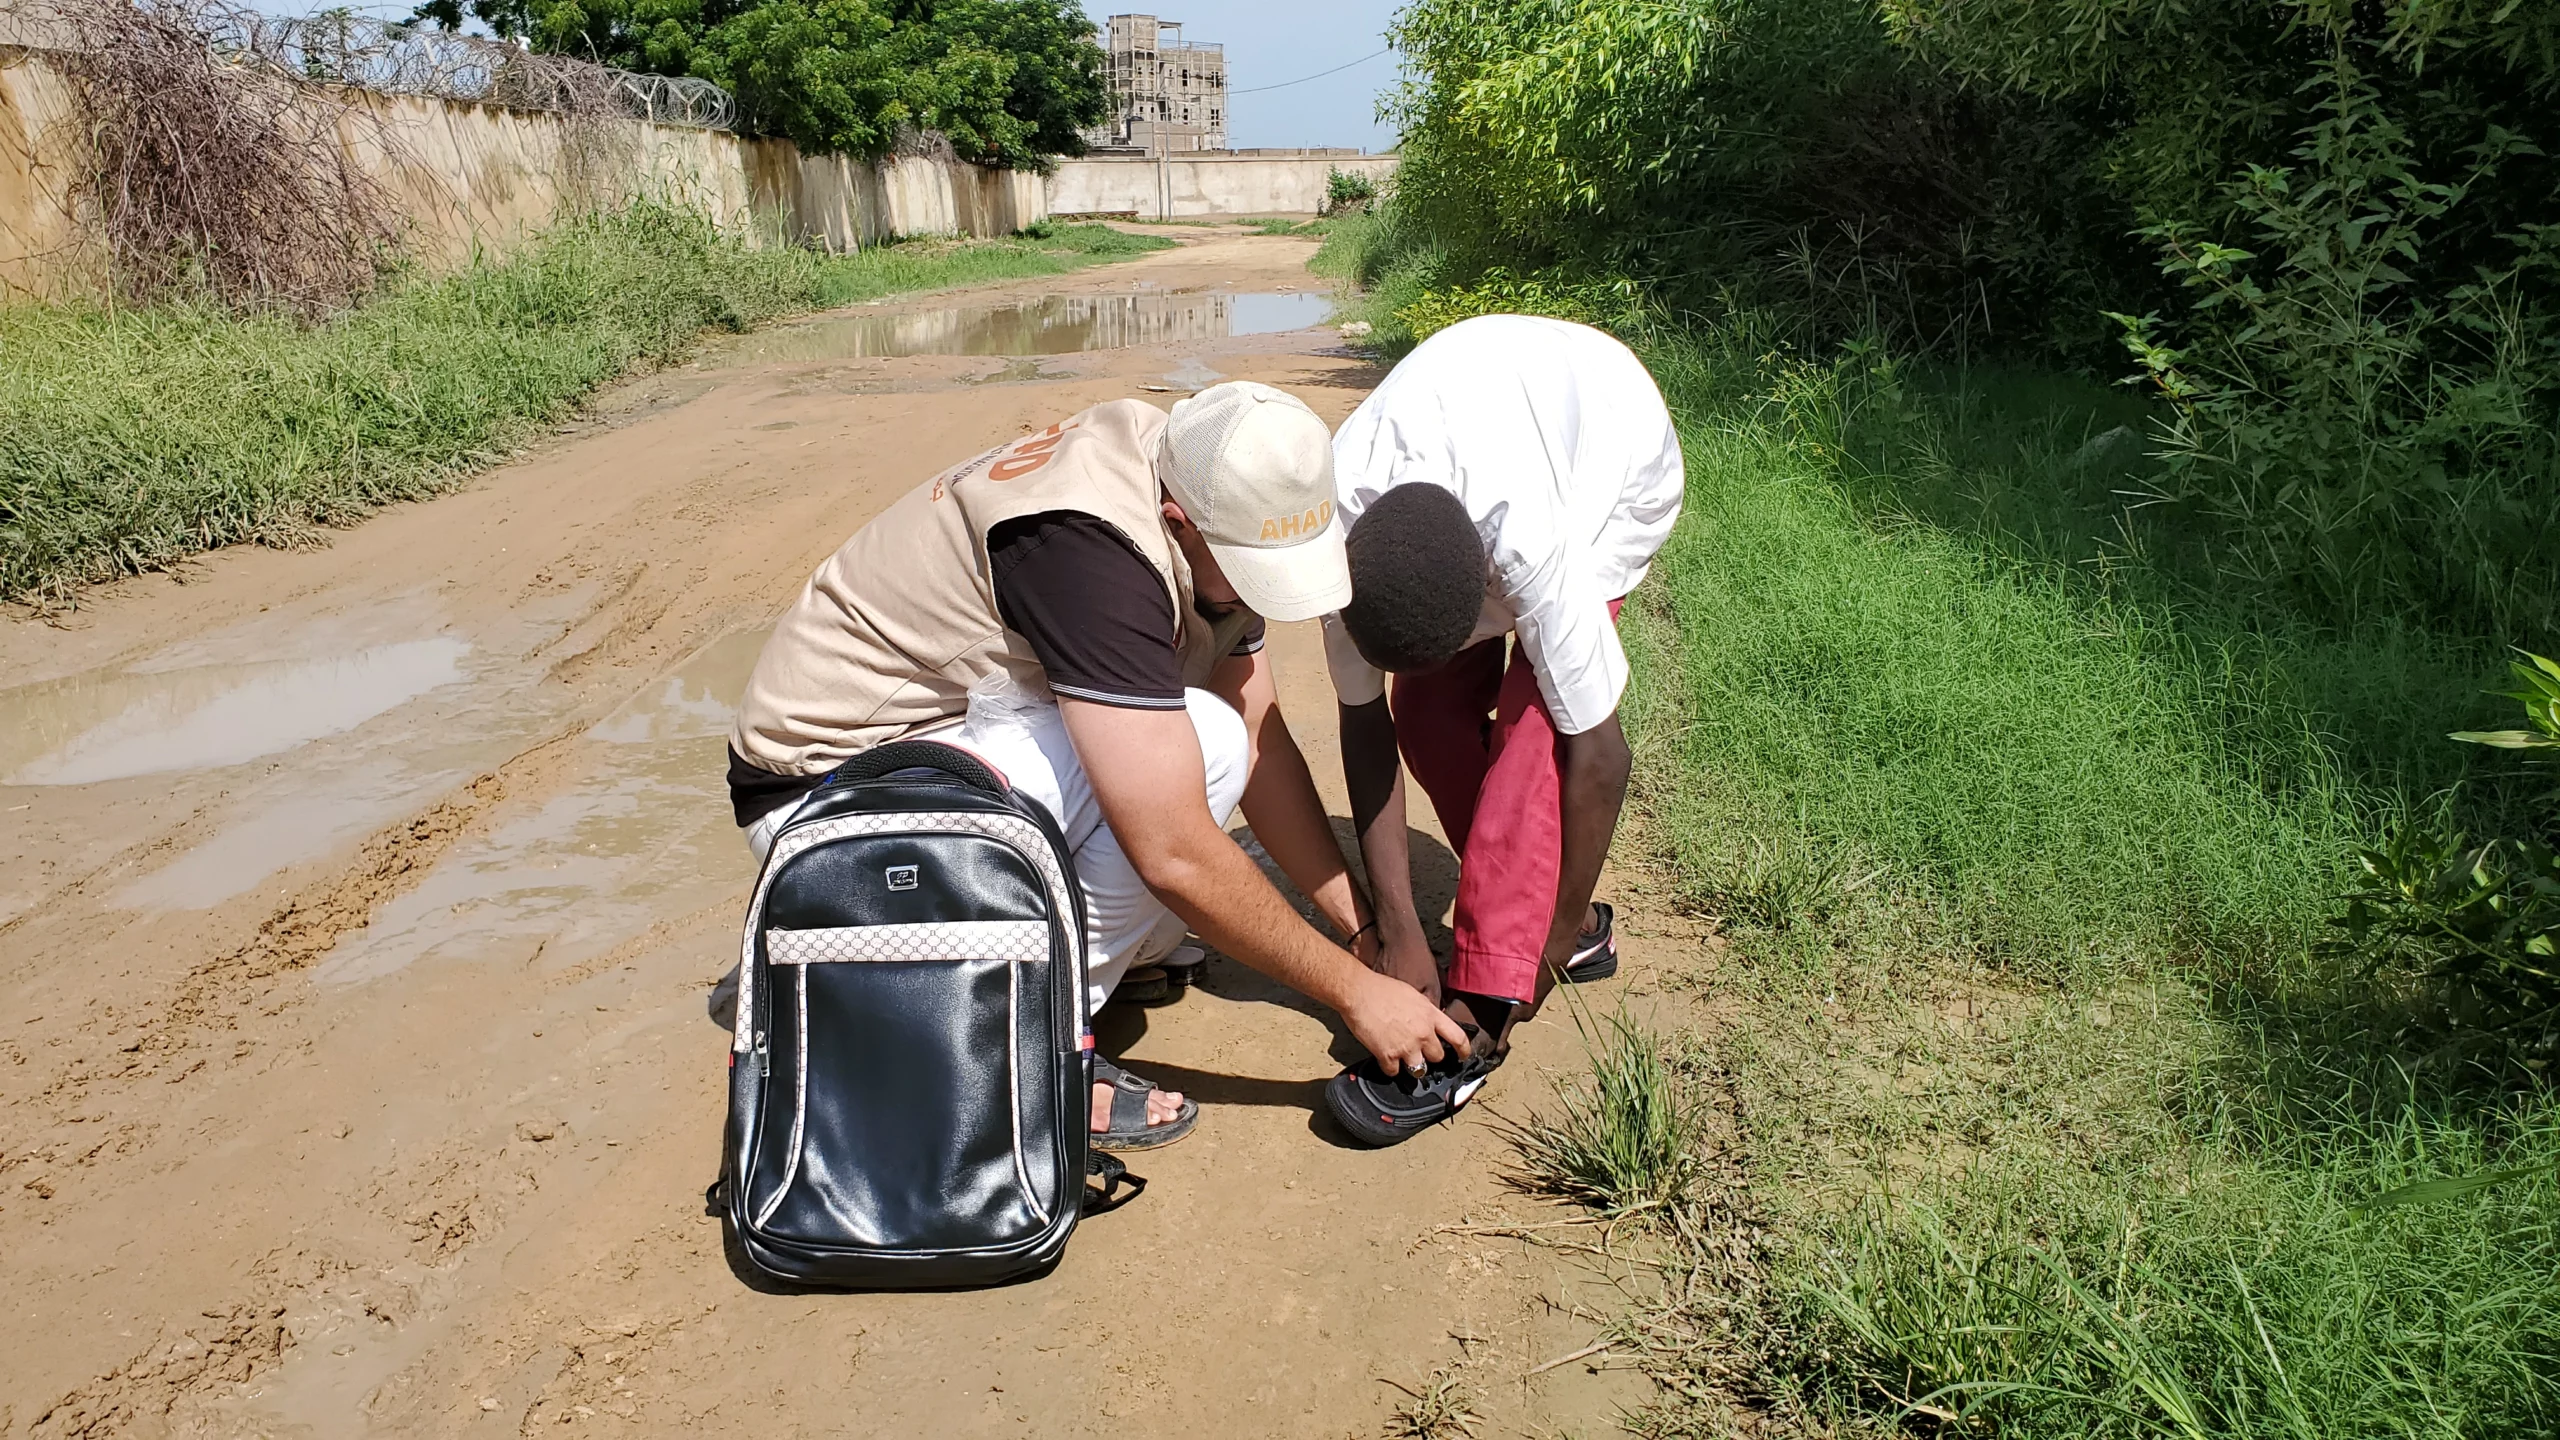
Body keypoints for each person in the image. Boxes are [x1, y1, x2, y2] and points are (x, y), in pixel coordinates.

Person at [726, 382, 1467, 1152]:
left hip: (937, 758)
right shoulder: (1088, 549)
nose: (1264, 598)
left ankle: (1054, 960)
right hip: (826, 805)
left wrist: (1365, 936)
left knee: (1193, 782)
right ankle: (1025, 1054)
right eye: (1254, 571)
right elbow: (1173, 845)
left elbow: (1262, 740)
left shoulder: (1196, 478)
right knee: (1194, 757)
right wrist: (1357, 996)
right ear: (1181, 524)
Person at [1316, 315, 1685, 1147]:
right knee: (1428, 711)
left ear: (1485, 583)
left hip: (1615, 456)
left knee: (1533, 739)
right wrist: (1400, 928)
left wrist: (1544, 953)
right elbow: (1366, 720)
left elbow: (1599, 753)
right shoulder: (1340, 541)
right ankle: (1562, 920)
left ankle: (1487, 1001)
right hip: (1503, 409)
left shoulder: (1532, 544)